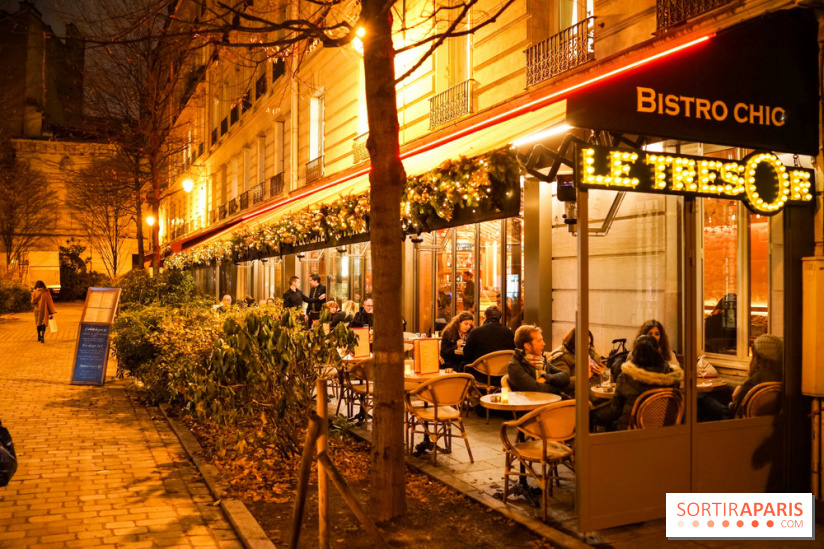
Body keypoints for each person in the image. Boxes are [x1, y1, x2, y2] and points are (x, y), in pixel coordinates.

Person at [607, 335, 684, 430]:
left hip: (633, 428)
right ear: (658, 350)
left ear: (634, 353)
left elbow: (615, 411)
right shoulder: (672, 375)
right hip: (666, 428)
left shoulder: (626, 376)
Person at [729, 334, 783, 416]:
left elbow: (735, 409)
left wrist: (732, 402)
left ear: (757, 358)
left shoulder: (754, 382)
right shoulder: (783, 377)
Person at [507, 325, 570, 394]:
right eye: (539, 341)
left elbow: (565, 376)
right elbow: (536, 389)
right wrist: (559, 388)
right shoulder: (514, 366)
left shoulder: (541, 360)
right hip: (535, 403)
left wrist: (546, 378)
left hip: (550, 400)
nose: (543, 344)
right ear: (528, 346)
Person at [462, 306, 515, 381]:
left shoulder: (476, 332)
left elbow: (466, 354)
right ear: (500, 319)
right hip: (503, 375)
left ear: (485, 317)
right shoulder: (509, 333)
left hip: (481, 374)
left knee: (464, 364)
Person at [548, 328, 603, 393]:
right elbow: (562, 383)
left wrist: (603, 372)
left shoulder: (591, 352)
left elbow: (607, 377)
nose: (587, 347)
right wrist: (584, 377)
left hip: (597, 388)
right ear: (574, 343)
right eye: (584, 344)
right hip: (578, 394)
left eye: (588, 343)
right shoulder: (561, 357)